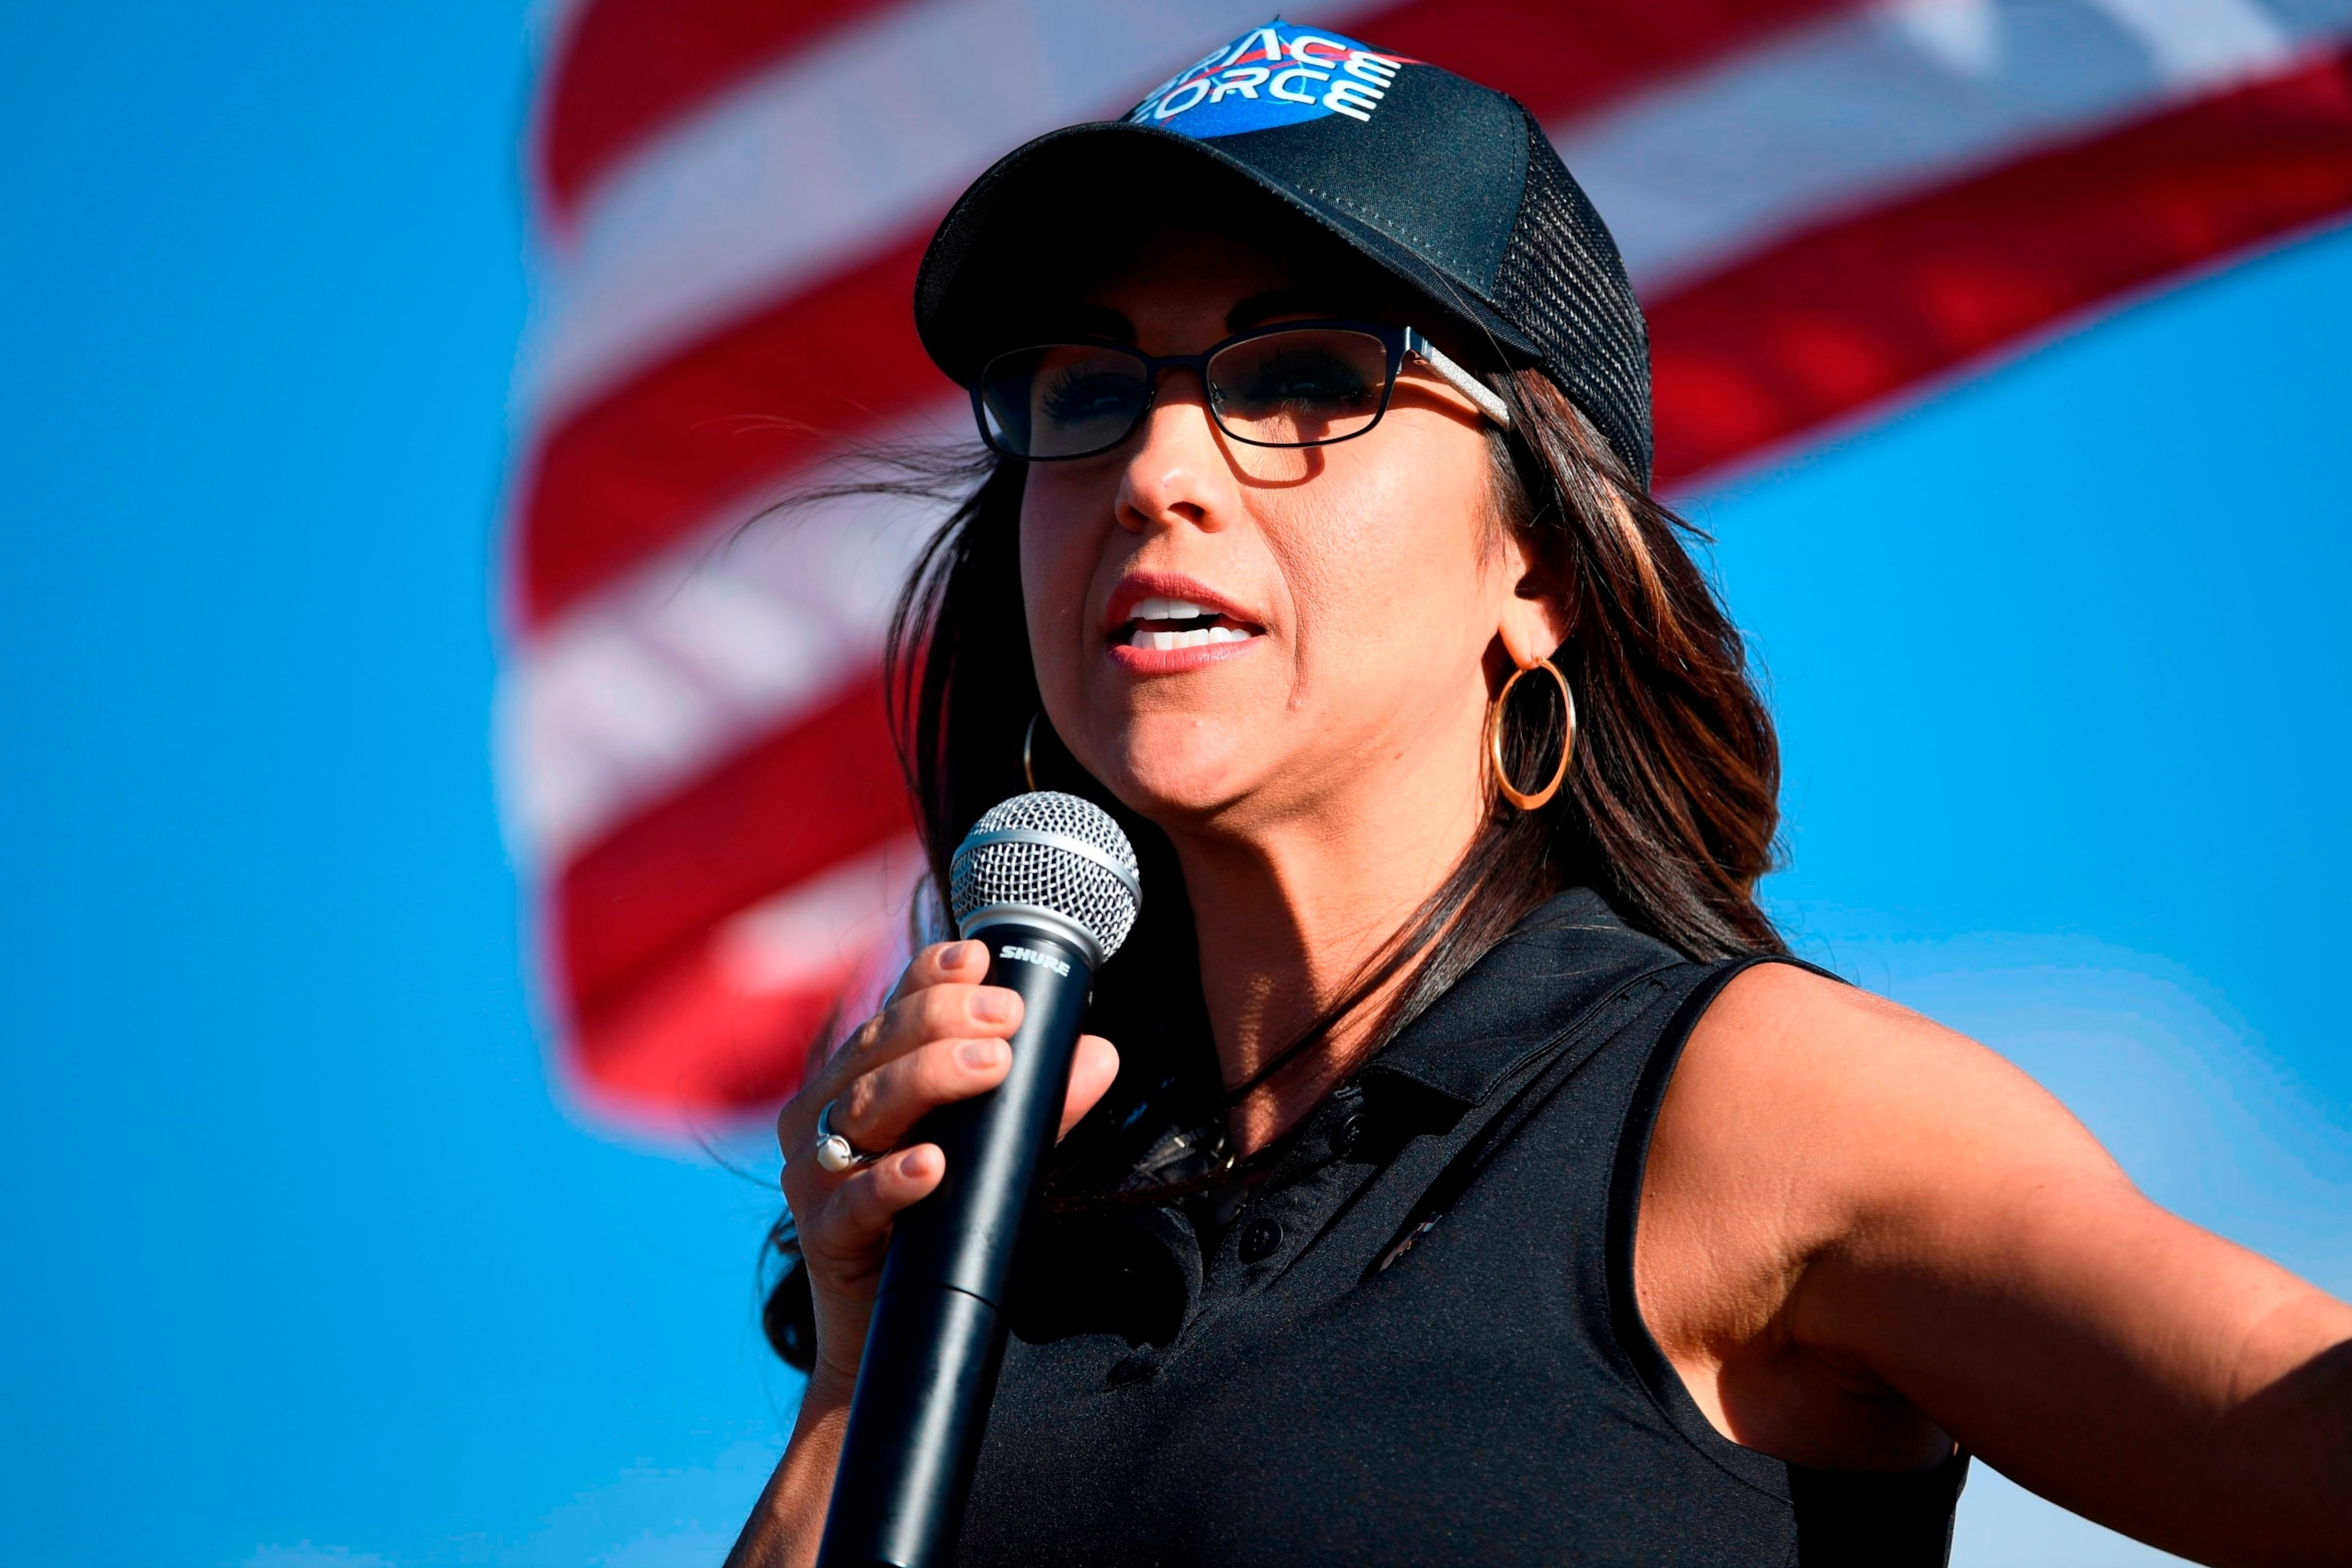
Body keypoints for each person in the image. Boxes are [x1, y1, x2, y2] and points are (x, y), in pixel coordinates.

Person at [727, 21, 2350, 1567]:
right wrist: (857, 1397)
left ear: (1544, 561)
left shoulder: (1742, 1107)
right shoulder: (999, 1248)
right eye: (1086, 389)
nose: (1157, 469)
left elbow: (2285, 1411)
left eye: (1301, 378)